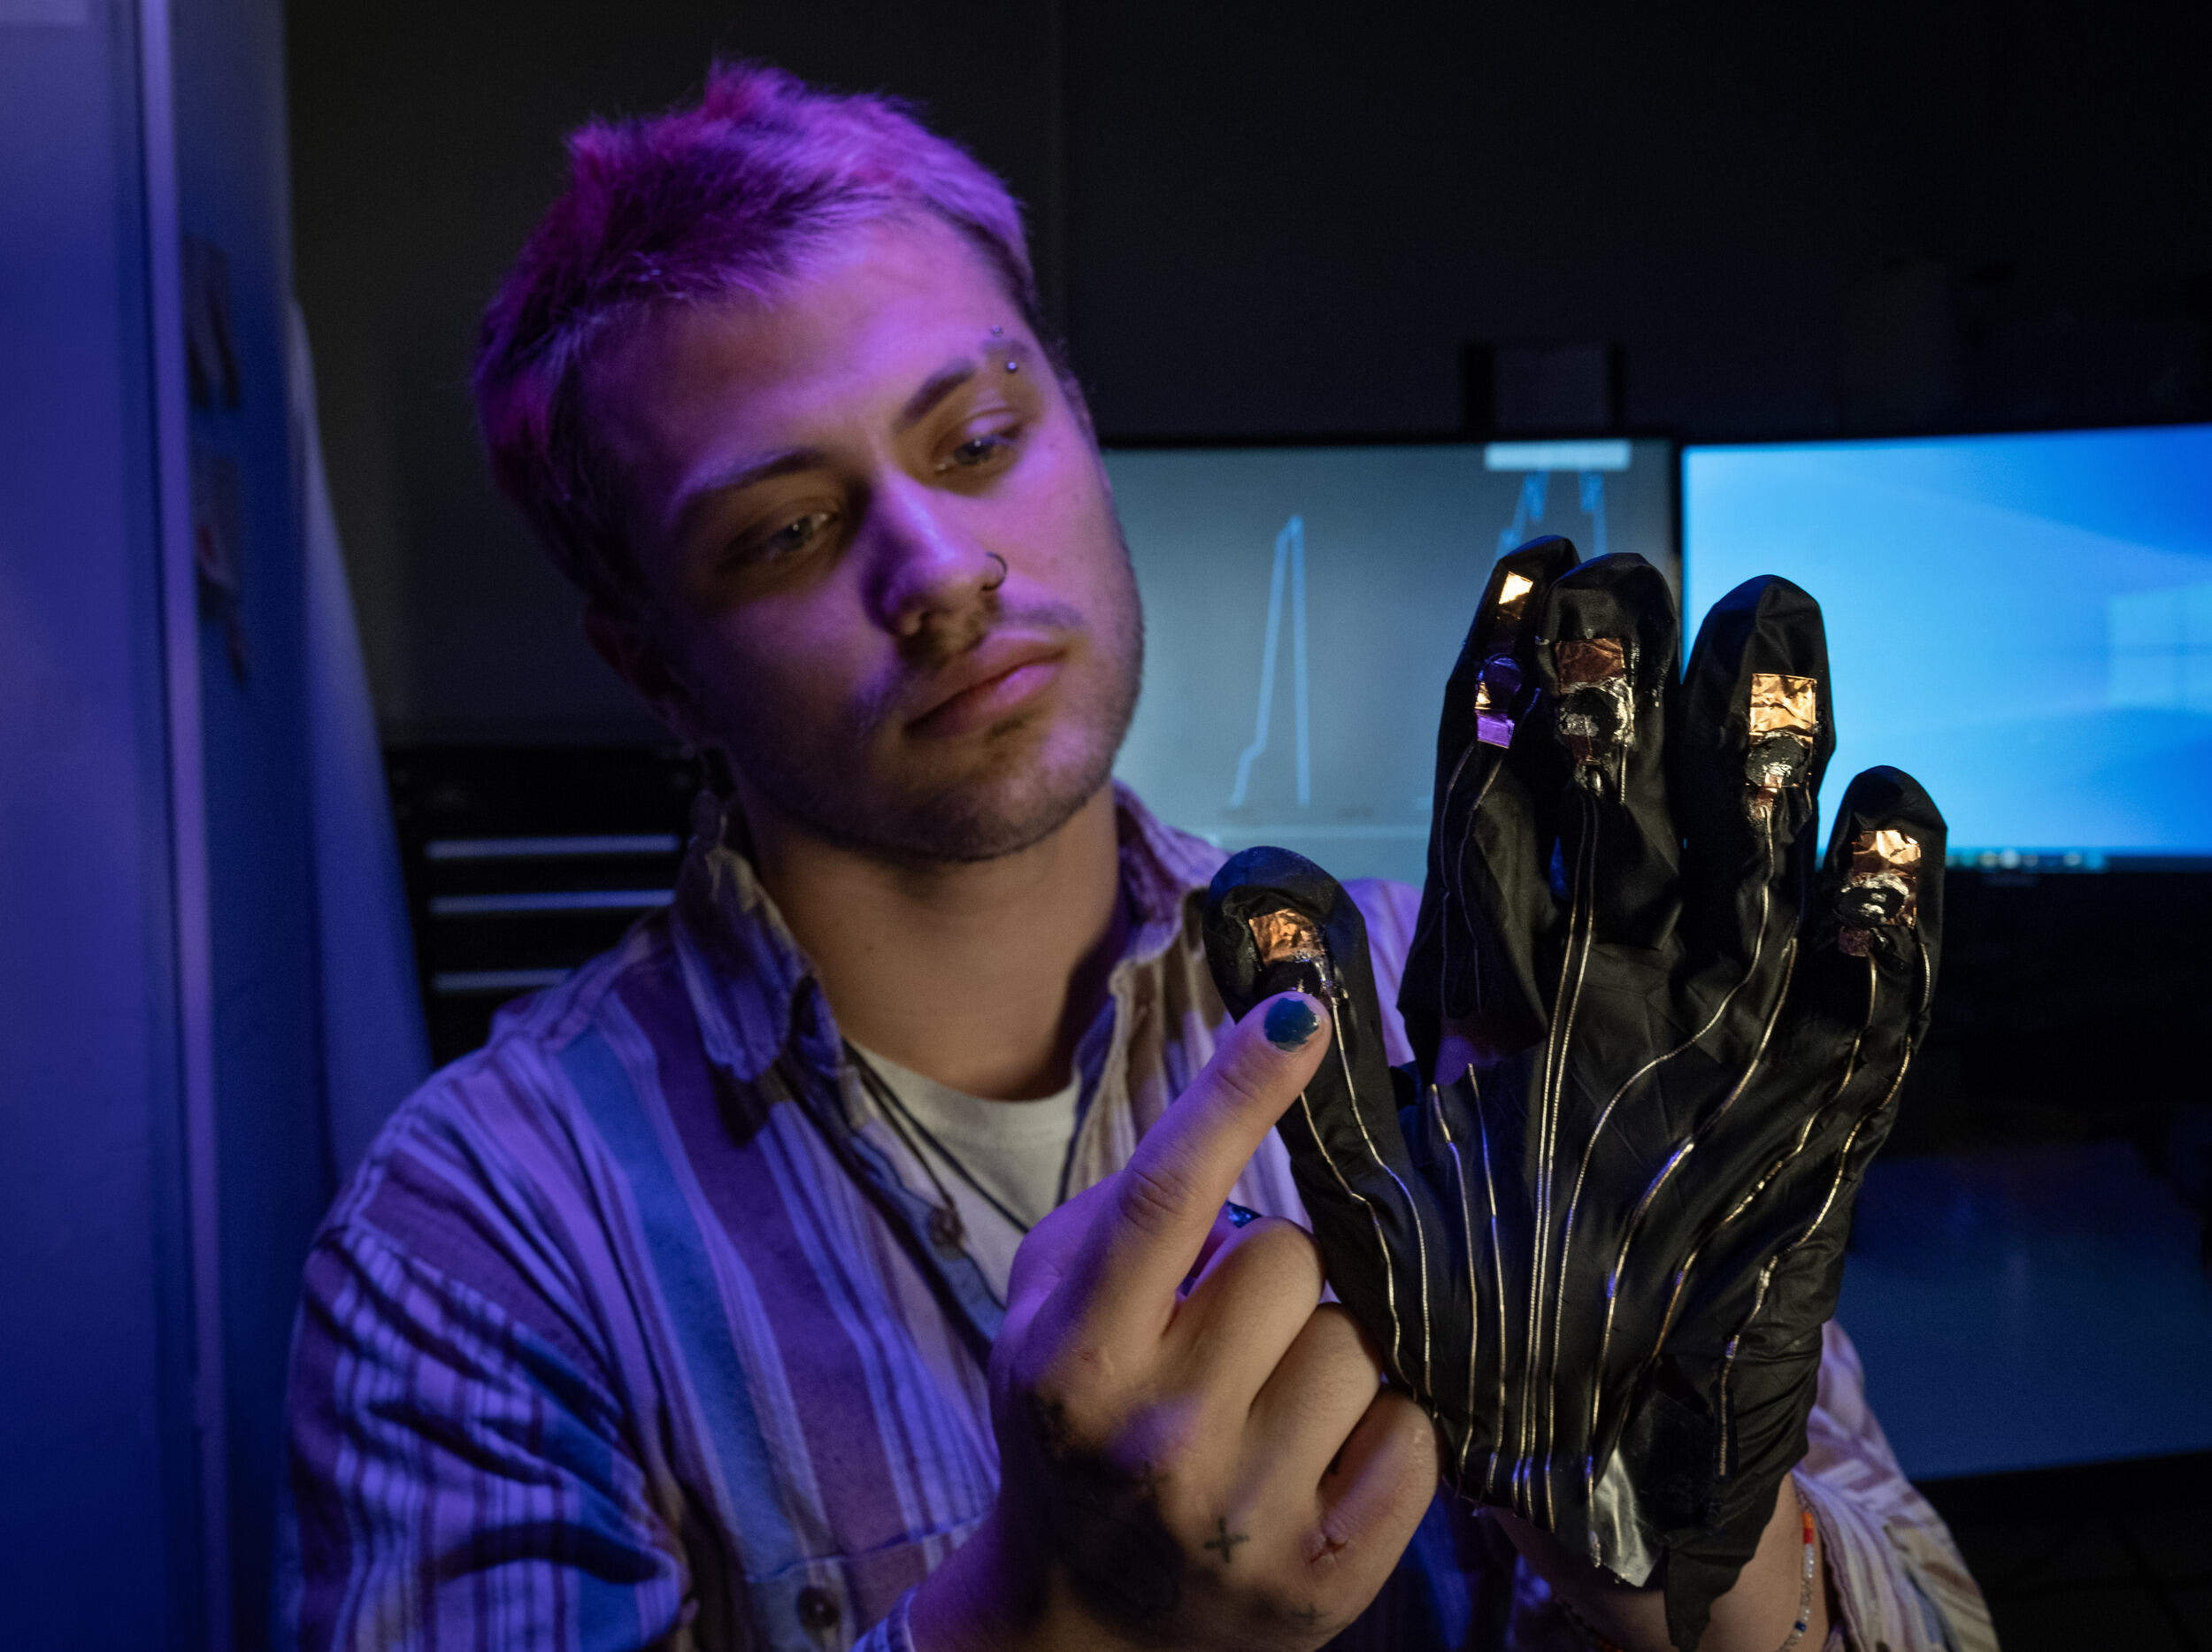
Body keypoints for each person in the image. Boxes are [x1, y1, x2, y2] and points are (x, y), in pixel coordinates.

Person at [277, 63, 1993, 1652]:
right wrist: (1049, 1614)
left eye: (973, 439)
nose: (936, 569)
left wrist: (1686, 1541)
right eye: (784, 530)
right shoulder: (479, 1244)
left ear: (1080, 428)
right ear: (647, 657)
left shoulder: (1478, 1006)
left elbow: (1925, 1607)